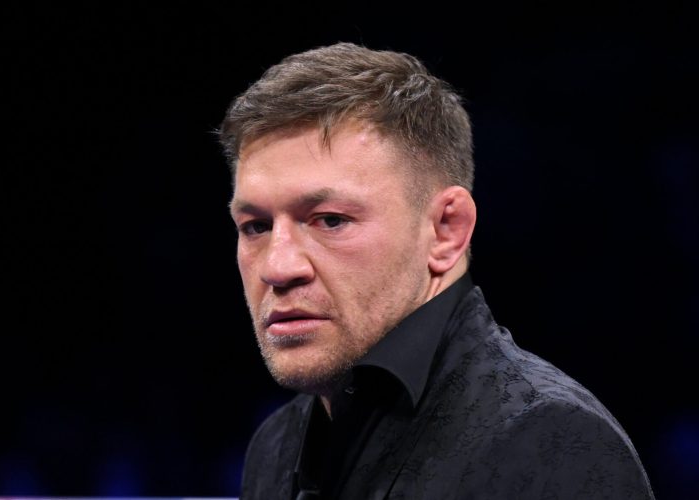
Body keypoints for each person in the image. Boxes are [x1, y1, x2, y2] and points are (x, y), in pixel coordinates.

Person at [219, 43, 655, 500]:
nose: (278, 267)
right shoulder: (276, 445)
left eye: (330, 220)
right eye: (256, 226)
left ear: (447, 230)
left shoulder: (547, 441)